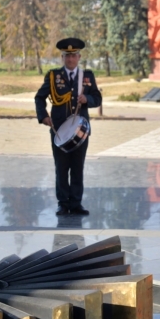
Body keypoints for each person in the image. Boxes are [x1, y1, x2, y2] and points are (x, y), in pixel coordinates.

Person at [35, 38, 102, 216]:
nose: (71, 59)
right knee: (62, 167)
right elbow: (39, 97)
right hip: (58, 129)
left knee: (78, 166)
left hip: (80, 131)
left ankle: (76, 202)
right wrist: (43, 116)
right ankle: (63, 203)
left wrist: (88, 99)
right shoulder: (53, 76)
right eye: (67, 56)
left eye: (73, 56)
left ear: (79, 57)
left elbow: (98, 98)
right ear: (62, 58)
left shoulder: (87, 76)